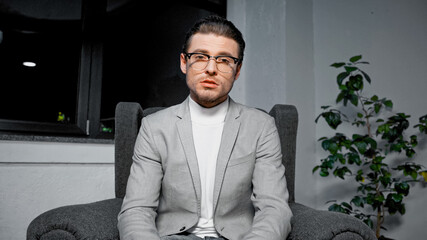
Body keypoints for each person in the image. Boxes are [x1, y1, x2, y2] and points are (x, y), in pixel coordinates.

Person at [118, 15, 292, 240]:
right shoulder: (154, 128)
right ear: (184, 62)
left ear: (237, 71)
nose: (211, 69)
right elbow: (136, 210)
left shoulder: (262, 127)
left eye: (224, 60)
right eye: (200, 57)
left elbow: (274, 209)